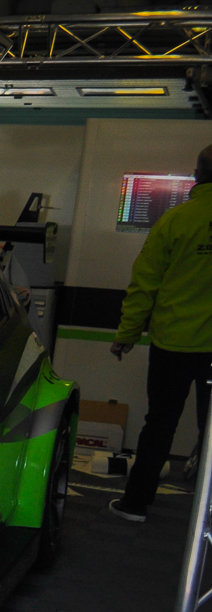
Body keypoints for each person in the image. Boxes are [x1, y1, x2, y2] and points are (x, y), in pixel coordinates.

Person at [108, 145, 212, 523]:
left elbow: (145, 284)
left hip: (173, 343)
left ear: (197, 176)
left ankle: (135, 504)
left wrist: (127, 333)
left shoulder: (175, 221)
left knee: (160, 425)